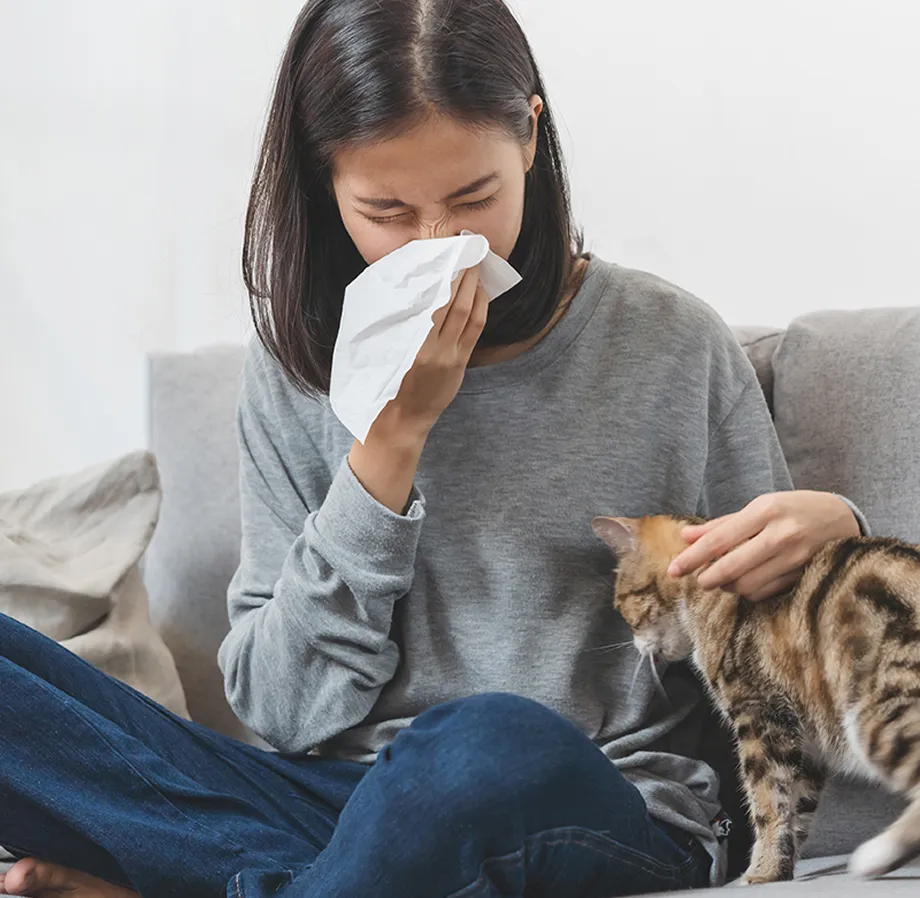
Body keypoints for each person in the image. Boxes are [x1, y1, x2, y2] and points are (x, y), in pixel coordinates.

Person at [0, 1, 866, 896]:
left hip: (599, 802)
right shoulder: (295, 372)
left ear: (530, 136)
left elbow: (776, 675)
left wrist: (835, 531)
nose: (439, 245)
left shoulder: (670, 344)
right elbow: (282, 713)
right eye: (385, 210)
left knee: (483, 740)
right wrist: (388, 445)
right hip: (334, 799)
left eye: (473, 198)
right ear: (324, 183)